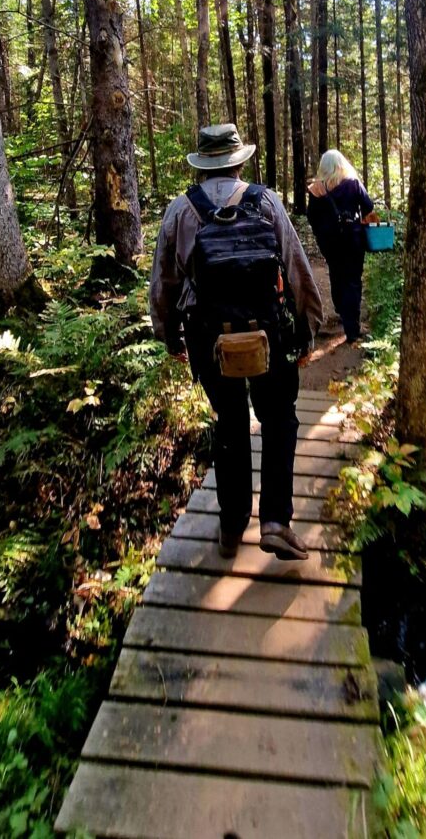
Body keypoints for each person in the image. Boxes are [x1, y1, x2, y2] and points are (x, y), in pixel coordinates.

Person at [150, 124, 323, 561]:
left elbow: (164, 284)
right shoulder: (265, 201)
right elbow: (296, 267)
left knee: (229, 421)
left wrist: (170, 335)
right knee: (280, 418)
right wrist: (307, 329)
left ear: (202, 166)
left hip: (208, 335)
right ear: (239, 160)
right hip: (268, 329)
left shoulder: (180, 210)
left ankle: (231, 528)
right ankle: (276, 522)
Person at [307, 149, 379, 344]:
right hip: (352, 240)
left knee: (336, 273)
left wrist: (321, 232)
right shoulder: (353, 184)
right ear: (342, 164)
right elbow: (368, 207)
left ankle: (340, 309)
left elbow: (311, 217)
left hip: (329, 241)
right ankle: (352, 329)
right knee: (353, 280)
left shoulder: (316, 189)